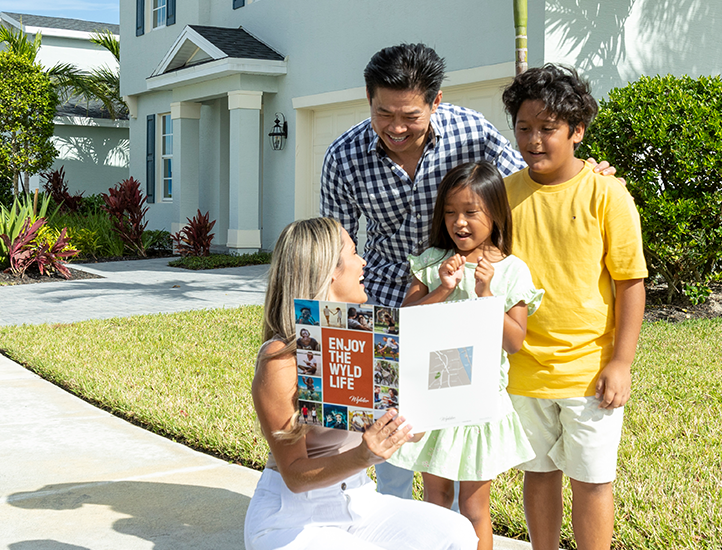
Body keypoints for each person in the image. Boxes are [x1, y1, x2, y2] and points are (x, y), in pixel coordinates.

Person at [320, 42, 616, 500]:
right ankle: (390, 520)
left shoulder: (470, 131)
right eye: (384, 114)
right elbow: (335, 248)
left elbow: (528, 176)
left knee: (452, 433)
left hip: (461, 312)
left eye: (410, 116)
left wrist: (584, 170)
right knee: (386, 435)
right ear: (368, 97)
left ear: (435, 102)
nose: (396, 128)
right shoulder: (343, 156)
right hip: (388, 303)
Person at [244, 217, 478, 550]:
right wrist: (364, 455)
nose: (364, 262)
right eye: (354, 252)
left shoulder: (369, 339)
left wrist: (412, 420)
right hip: (291, 519)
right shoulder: (281, 360)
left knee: (456, 533)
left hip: (359, 501)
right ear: (330, 272)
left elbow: (411, 429)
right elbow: (295, 475)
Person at [501, 64, 646, 550]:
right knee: (538, 474)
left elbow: (631, 283)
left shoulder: (608, 193)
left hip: (589, 372)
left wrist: (621, 362)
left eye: (548, 129)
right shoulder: (502, 195)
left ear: (577, 131)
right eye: (524, 128)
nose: (534, 140)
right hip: (523, 369)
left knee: (592, 479)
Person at [389, 161, 543, 550]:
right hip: (434, 397)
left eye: (471, 212)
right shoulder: (431, 262)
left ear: (495, 213)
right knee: (435, 502)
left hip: (477, 403)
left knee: (474, 506)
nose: (460, 223)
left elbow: (514, 342)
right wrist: (442, 287)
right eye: (451, 212)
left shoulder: (510, 271)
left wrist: (487, 294)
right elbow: (405, 322)